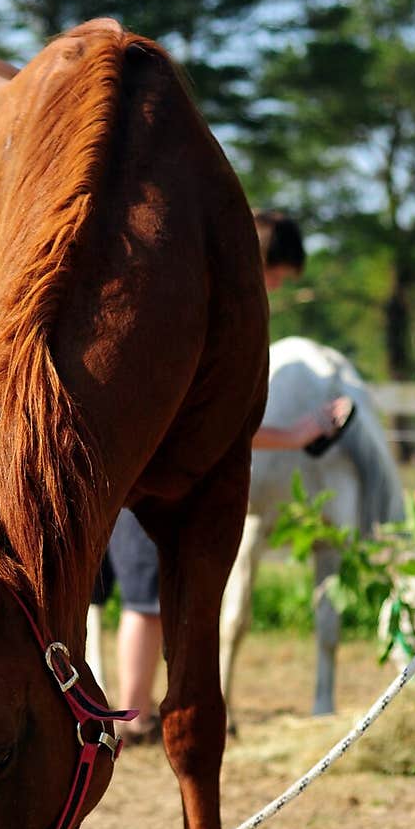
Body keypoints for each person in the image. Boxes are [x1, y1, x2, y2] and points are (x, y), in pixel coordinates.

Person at [88, 210, 354, 745]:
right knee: (144, 602)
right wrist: (301, 432)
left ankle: (112, 708)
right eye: (277, 277)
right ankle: (134, 718)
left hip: (122, 461)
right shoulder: (218, 313)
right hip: (151, 472)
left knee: (111, 594)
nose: (275, 289)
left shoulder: (174, 290)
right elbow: (223, 419)